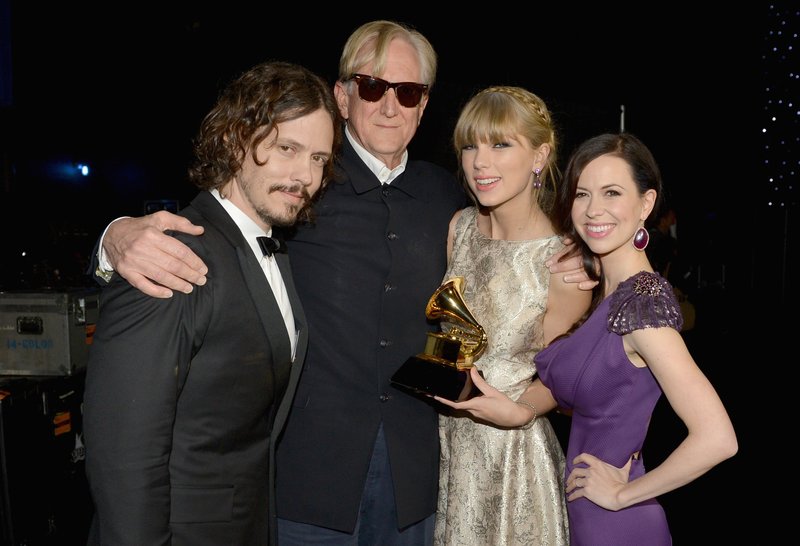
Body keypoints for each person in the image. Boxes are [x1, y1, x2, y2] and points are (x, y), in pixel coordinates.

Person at [89, 21, 592, 545]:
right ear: (343, 96)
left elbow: (507, 259)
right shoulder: (298, 186)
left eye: (408, 91)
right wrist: (114, 236)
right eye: (372, 86)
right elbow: (213, 219)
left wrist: (578, 258)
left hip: (422, 479)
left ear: (424, 105)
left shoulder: (451, 202)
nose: (389, 105)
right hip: (306, 482)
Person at [82, 60, 342, 546]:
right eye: (288, 148)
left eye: (319, 159)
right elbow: (124, 455)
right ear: (235, 140)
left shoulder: (273, 250)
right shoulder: (169, 255)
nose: (306, 175)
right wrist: (112, 236)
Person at [441, 132, 738, 546]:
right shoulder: (605, 291)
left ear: (646, 204)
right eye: (582, 194)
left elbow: (718, 438)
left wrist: (623, 494)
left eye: (612, 192)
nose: (594, 209)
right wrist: (520, 408)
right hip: (583, 516)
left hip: (616, 525)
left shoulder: (642, 305)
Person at [432, 86, 592, 545]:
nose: (481, 162)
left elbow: (561, 378)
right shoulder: (458, 227)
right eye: (470, 145)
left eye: (501, 145)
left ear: (539, 156)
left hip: (514, 461)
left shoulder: (562, 262)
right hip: (449, 449)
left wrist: (521, 412)